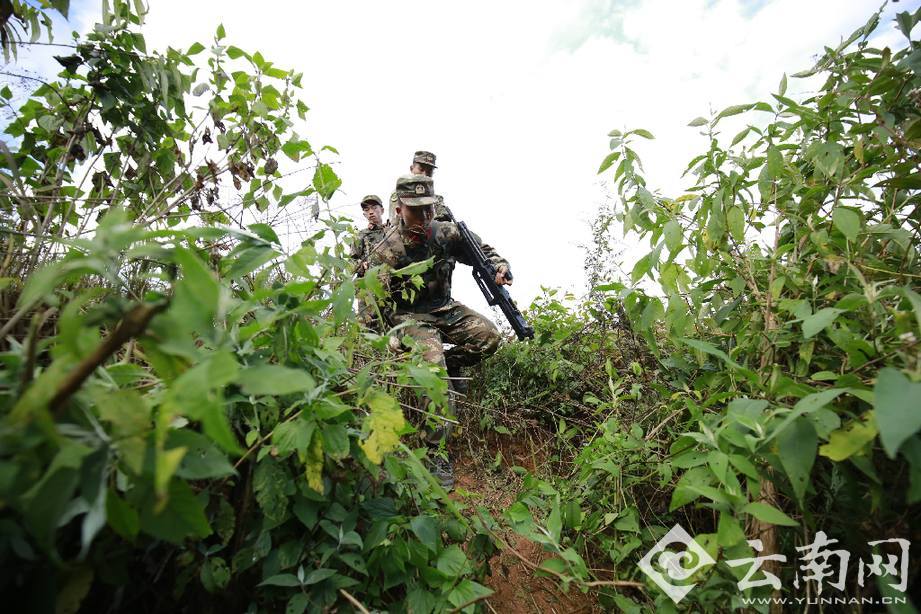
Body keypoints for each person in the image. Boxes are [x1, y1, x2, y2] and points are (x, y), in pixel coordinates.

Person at [369, 174, 513, 488]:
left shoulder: (446, 233)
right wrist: (385, 335)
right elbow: (371, 301)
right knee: (432, 375)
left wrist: (499, 266)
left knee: (489, 338)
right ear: (399, 209)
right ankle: (436, 452)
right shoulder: (386, 249)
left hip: (444, 309)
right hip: (411, 318)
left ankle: (455, 365)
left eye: (428, 209)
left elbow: (481, 250)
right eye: (415, 210)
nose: (424, 217)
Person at [350, 195, 391, 327]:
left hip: (393, 285)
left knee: (394, 326)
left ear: (382, 210)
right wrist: (361, 265)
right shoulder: (361, 235)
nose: (371, 212)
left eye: (374, 207)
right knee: (368, 328)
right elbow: (351, 262)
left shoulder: (392, 231)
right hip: (369, 289)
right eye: (367, 210)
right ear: (364, 214)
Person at [388, 150, 454, 223]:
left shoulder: (436, 199)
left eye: (429, 171)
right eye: (421, 169)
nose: (424, 174)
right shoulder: (401, 194)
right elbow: (395, 222)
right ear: (411, 168)